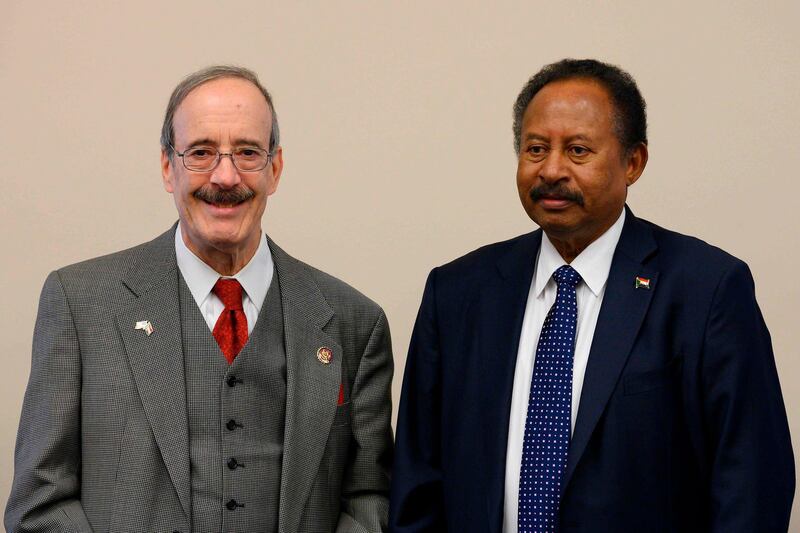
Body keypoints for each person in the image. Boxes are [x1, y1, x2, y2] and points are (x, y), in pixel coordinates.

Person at [389, 58, 794, 532]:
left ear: (633, 162)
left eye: (578, 151)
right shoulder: (457, 293)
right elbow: (417, 483)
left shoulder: (707, 290)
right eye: (536, 149)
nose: (552, 170)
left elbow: (751, 485)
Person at [6, 65, 393, 533]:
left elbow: (370, 498)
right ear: (169, 167)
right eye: (202, 152)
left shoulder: (354, 322)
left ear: (275, 169)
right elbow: (39, 502)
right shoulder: (80, 304)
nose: (225, 176)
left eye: (248, 152)